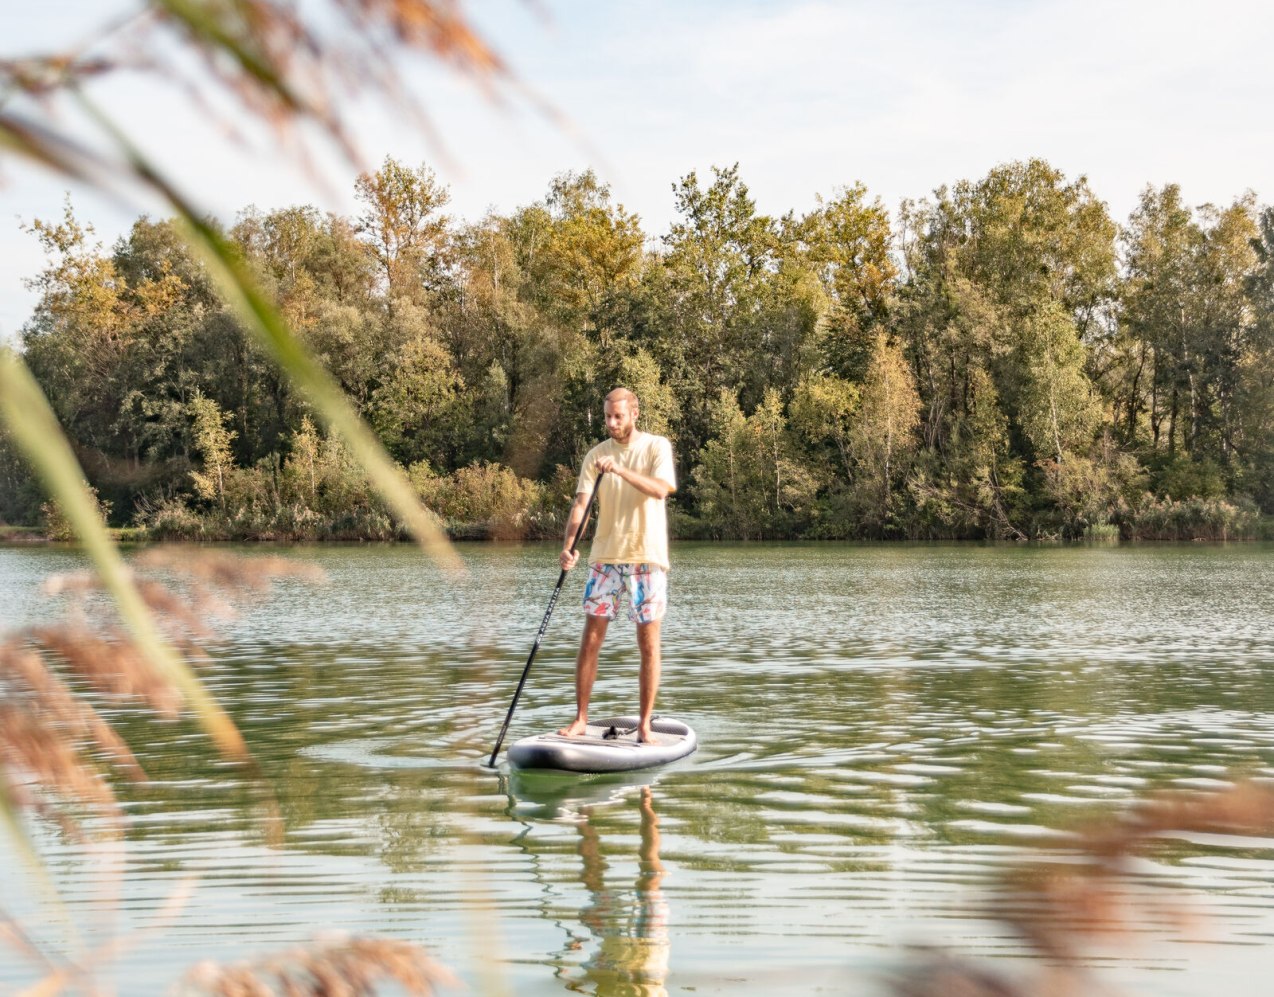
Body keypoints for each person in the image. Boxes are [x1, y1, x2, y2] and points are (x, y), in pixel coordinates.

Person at [558, 387, 676, 743]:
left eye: (618, 417)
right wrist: (568, 547)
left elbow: (660, 489)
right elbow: (581, 506)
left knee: (648, 643)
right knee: (590, 638)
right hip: (605, 557)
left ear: (634, 414)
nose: (611, 423)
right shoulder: (596, 455)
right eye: (607, 416)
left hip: (646, 557)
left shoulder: (657, 446)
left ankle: (644, 725)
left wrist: (621, 471)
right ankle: (580, 719)